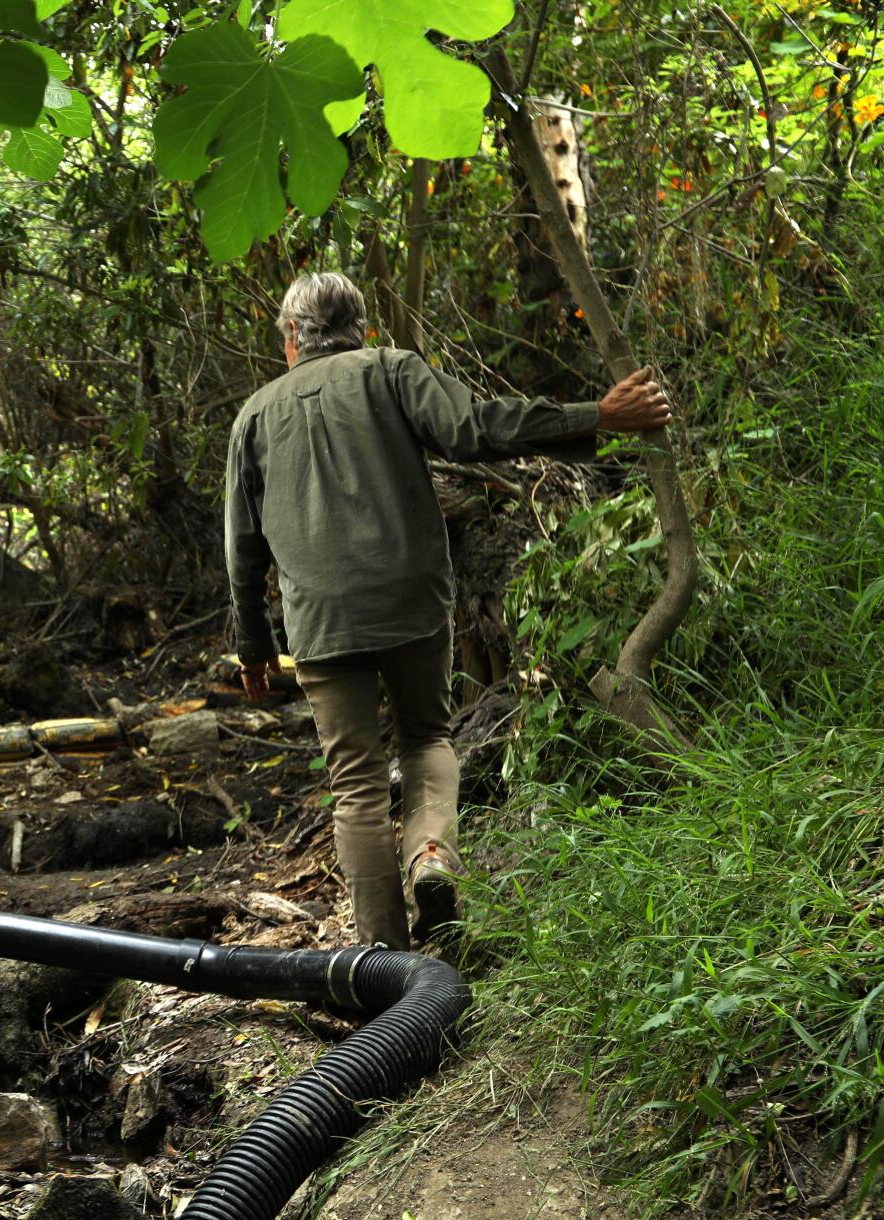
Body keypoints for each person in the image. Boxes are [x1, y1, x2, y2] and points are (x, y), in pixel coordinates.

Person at [226, 272, 672, 950]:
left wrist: (253, 646)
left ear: (292, 338)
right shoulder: (390, 370)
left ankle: (382, 956)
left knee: (356, 782)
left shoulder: (256, 414)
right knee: (428, 737)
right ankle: (431, 853)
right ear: (362, 327)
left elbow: (243, 548)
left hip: (319, 620)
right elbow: (476, 428)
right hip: (411, 598)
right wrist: (598, 414)